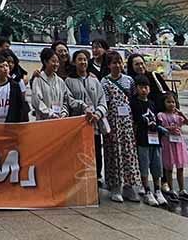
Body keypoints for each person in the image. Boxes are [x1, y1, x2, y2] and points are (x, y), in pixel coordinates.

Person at [101, 51, 141, 203]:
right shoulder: (104, 82)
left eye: (119, 62)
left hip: (127, 124)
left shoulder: (129, 80)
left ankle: (129, 186)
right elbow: (105, 103)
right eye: (113, 63)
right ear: (109, 65)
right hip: (113, 123)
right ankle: (115, 186)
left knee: (128, 153)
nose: (117, 65)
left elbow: (132, 99)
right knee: (114, 154)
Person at [65, 49, 108, 185]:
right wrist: (82, 106)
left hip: (94, 124)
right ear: (74, 62)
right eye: (79, 59)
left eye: (85, 59)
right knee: (78, 151)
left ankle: (97, 177)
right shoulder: (68, 81)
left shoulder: (95, 81)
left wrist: (98, 114)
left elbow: (102, 101)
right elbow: (68, 100)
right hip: (77, 124)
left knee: (94, 149)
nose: (83, 62)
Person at [131, 75, 168, 207]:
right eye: (141, 87)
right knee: (144, 165)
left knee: (156, 165)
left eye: (146, 87)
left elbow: (157, 118)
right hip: (142, 139)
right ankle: (147, 190)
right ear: (136, 89)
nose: (144, 90)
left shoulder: (152, 103)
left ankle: (157, 189)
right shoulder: (134, 103)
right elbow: (136, 120)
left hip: (155, 139)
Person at [158, 92, 188, 203]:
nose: (171, 104)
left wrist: (182, 114)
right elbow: (159, 126)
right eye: (168, 102)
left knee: (180, 167)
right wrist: (168, 128)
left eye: (173, 102)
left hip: (178, 144)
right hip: (168, 143)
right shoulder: (161, 115)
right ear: (163, 103)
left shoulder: (178, 116)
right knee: (169, 168)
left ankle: (182, 189)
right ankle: (171, 189)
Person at [31, 47, 85, 120]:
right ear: (45, 62)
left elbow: (66, 99)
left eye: (57, 62)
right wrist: (50, 114)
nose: (56, 64)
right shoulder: (38, 79)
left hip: (59, 121)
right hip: (43, 123)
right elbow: (37, 102)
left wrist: (64, 112)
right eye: (53, 61)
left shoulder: (60, 81)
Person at [0, 53, 29, 123]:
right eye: (1, 66)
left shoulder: (15, 86)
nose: (5, 69)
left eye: (6, 66)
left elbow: (20, 106)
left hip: (11, 124)